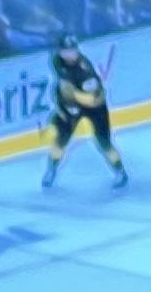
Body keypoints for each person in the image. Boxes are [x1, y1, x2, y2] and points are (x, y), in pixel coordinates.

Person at [44, 32, 127, 188]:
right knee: (61, 140)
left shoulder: (85, 71)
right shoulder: (57, 61)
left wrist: (73, 95)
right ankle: (51, 169)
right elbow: (61, 83)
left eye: (72, 50)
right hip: (70, 106)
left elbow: (93, 99)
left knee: (104, 141)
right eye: (65, 51)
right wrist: (63, 107)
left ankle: (120, 171)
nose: (69, 54)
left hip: (95, 107)